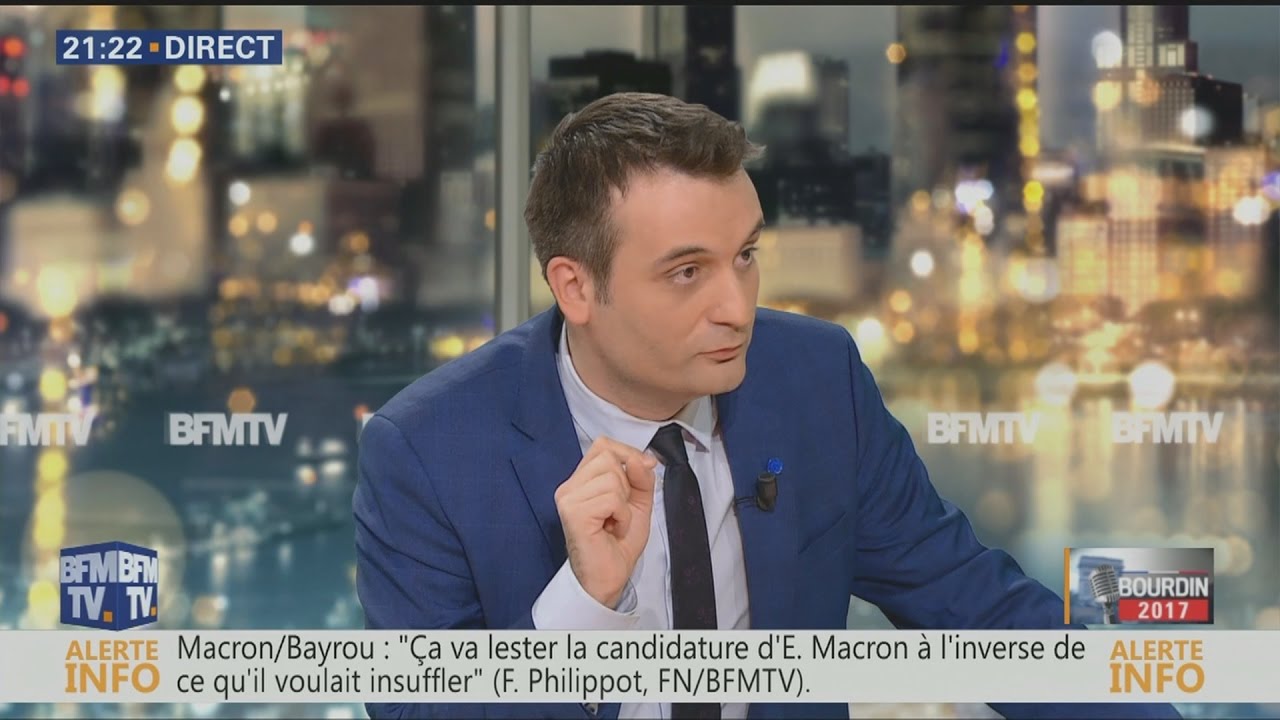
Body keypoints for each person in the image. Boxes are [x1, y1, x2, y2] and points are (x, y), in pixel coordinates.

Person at [353, 93, 1179, 720]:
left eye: (745, 256)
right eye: (688, 272)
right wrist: (584, 610)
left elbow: (973, 604)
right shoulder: (426, 451)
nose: (737, 307)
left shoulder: (815, 378)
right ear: (575, 286)